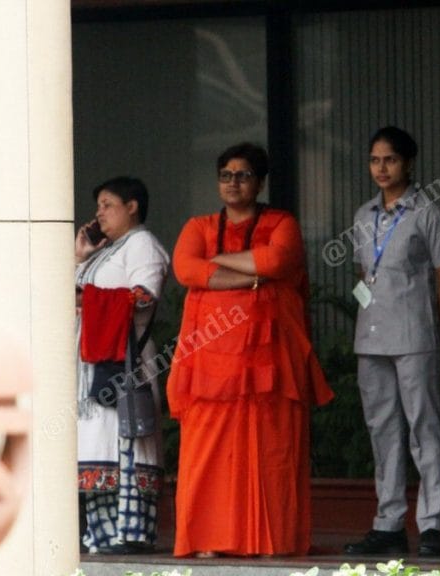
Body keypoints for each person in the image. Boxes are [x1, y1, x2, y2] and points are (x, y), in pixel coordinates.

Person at [166, 142, 334, 558]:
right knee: (209, 454)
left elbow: (278, 262)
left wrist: (219, 262)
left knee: (270, 451)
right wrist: (249, 273)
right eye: (226, 175)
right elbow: (186, 268)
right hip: (210, 366)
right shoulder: (199, 225)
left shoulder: (282, 222)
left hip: (269, 367)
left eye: (242, 175)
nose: (233, 183)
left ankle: (270, 541)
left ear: (259, 182)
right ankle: (207, 540)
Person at [343, 127, 440, 557]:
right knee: (383, 431)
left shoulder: (427, 212)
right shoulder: (362, 215)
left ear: (408, 163)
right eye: (375, 160)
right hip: (371, 338)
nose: (381, 168)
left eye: (390, 160)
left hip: (415, 338)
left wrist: (433, 333)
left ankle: (431, 524)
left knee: (423, 428)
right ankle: (388, 522)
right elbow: (364, 276)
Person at [74, 176, 170, 554]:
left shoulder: (142, 244)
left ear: (132, 207)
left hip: (124, 365)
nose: (99, 213)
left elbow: (144, 298)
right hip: (93, 368)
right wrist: (80, 257)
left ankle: (129, 536)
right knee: (97, 446)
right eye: (97, 206)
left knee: (124, 442)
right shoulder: (103, 252)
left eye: (107, 204)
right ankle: (100, 535)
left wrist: (86, 297)